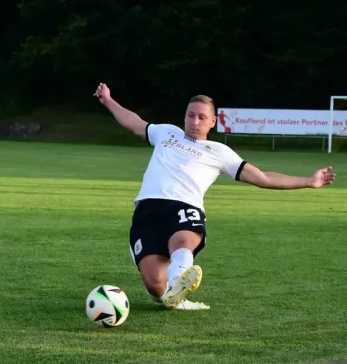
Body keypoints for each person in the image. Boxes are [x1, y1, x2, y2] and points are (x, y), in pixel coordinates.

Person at [93, 83, 336, 311]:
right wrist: (108, 100)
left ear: (213, 121)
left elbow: (262, 178)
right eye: (190, 115)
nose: (194, 121)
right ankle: (173, 294)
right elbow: (134, 123)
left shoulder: (219, 152)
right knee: (156, 288)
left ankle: (179, 280)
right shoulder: (166, 133)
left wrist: (309, 181)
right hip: (148, 209)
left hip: (185, 206)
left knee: (182, 241)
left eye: (201, 117)